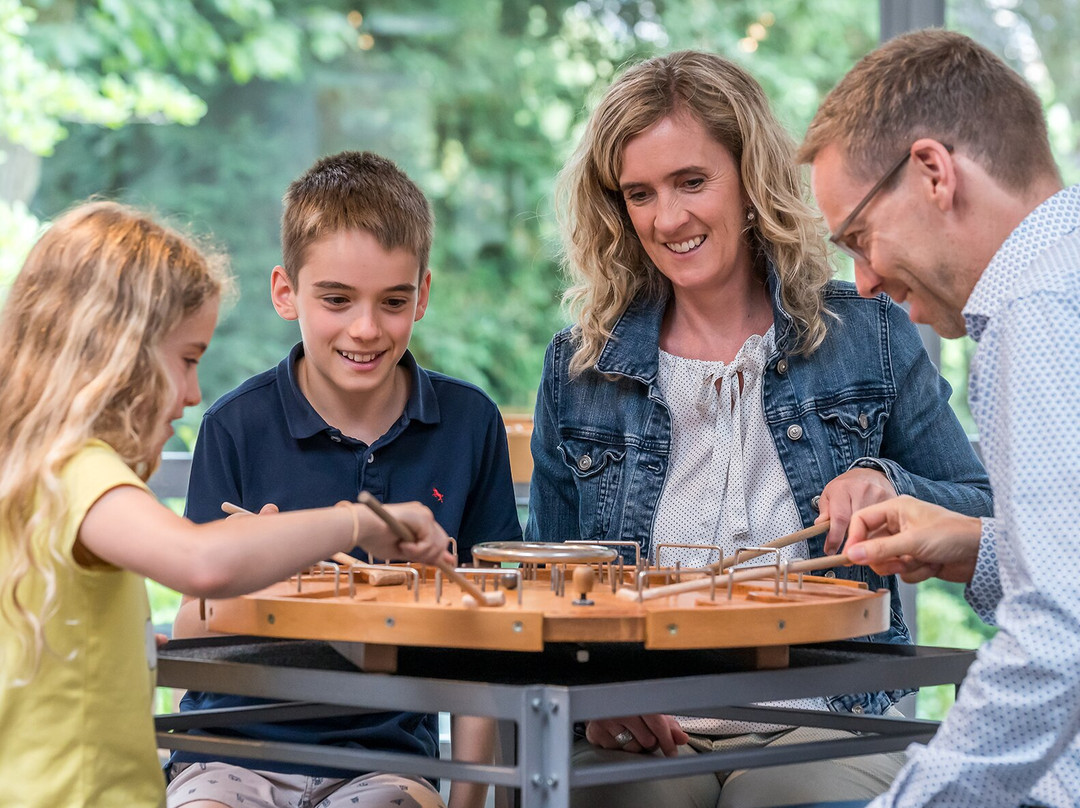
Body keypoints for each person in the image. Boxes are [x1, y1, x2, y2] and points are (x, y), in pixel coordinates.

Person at [525, 49, 993, 808]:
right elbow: (543, 587)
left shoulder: (866, 335)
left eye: (691, 182)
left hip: (821, 722)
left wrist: (891, 485)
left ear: (750, 182)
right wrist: (594, 691)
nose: (666, 218)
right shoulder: (579, 370)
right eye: (639, 193)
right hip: (642, 727)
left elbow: (986, 515)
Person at [0, 200, 453, 808]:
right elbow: (201, 563)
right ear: (116, 353)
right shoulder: (77, 472)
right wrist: (360, 519)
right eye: (187, 361)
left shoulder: (25, 473)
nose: (192, 393)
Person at [165, 150, 523, 808]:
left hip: (384, 762)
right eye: (336, 300)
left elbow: (493, 645)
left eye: (392, 302)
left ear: (422, 296)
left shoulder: (469, 423)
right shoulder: (234, 425)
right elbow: (190, 625)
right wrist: (265, 568)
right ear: (284, 292)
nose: (365, 328)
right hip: (229, 751)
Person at [800, 28, 1079, 808]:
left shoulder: (1038, 313)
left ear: (932, 171)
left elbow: (1061, 635)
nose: (863, 281)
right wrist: (977, 548)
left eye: (858, 237)